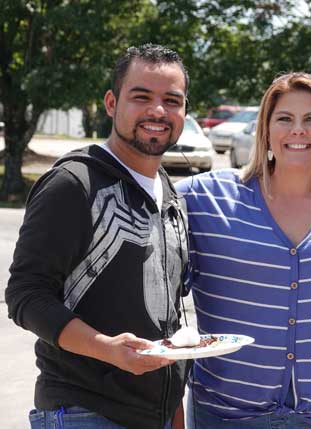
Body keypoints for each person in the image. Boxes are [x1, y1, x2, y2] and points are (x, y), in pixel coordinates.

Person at [176, 72, 311, 428]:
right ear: (266, 130)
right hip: (228, 415)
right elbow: (139, 195)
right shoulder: (205, 197)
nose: (297, 130)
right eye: (284, 118)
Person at [5, 44, 191, 429]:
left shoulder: (170, 194)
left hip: (153, 417)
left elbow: (166, 318)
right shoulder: (74, 183)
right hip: (83, 413)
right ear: (111, 102)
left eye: (171, 100)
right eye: (142, 97)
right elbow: (26, 294)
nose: (158, 111)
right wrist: (106, 349)